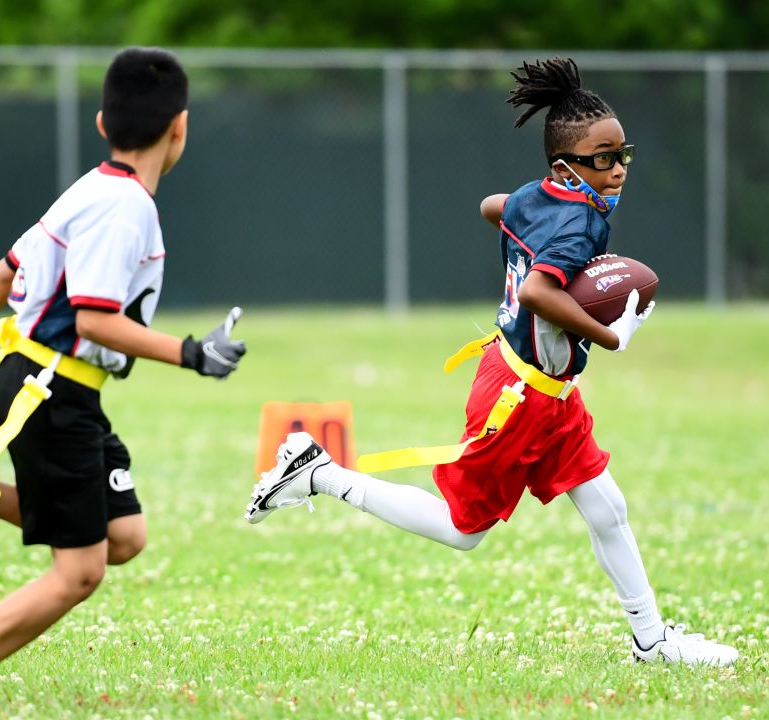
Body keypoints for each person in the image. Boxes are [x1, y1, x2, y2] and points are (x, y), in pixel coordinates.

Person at [246, 57, 738, 667]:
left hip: (546, 388)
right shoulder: (581, 220)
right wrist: (613, 337)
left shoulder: (542, 194)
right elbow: (536, 291)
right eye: (603, 158)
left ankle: (651, 641)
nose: (617, 170)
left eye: (622, 154)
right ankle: (318, 474)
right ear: (567, 167)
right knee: (463, 531)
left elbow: (492, 205)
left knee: (608, 507)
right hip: (520, 395)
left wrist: (524, 229)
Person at [0, 48, 248, 718]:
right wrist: (192, 353)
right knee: (79, 570)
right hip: (53, 390)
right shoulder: (125, 208)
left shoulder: (89, 189)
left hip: (48, 382)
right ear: (181, 127)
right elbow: (95, 317)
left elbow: (8, 268)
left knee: (123, 536)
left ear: (100, 122)